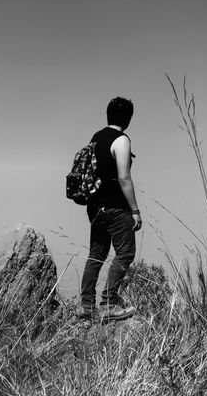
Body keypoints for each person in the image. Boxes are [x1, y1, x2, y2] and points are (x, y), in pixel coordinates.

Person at [78, 96, 142, 322]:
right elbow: (124, 178)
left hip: (94, 207)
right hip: (115, 207)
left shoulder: (96, 138)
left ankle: (86, 306)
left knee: (96, 254)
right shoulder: (121, 140)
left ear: (108, 114)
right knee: (125, 253)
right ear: (128, 118)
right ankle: (109, 304)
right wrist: (135, 210)